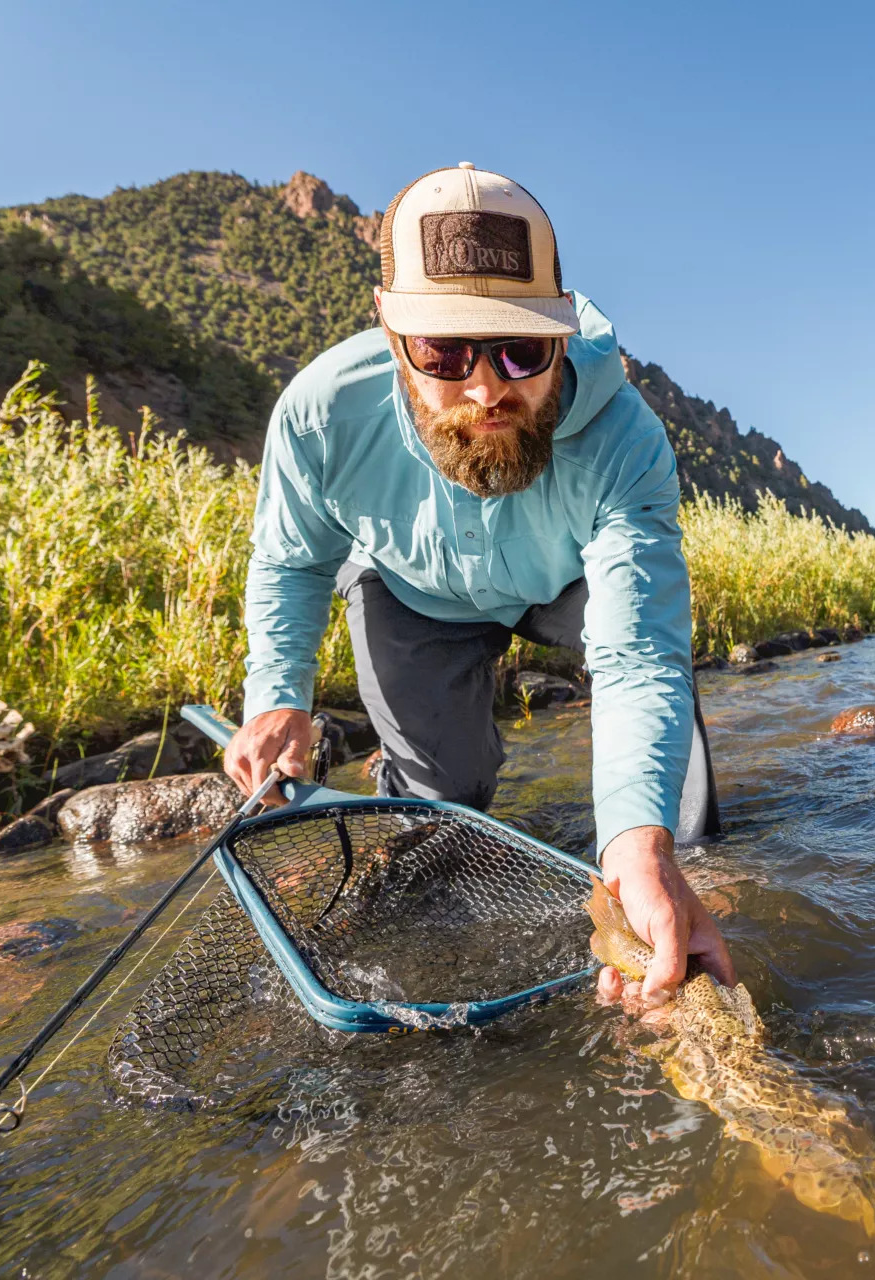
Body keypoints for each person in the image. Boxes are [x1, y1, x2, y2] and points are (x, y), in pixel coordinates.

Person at [224, 163, 735, 1006]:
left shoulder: (627, 440)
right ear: (392, 336)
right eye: (444, 352)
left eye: (520, 348)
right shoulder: (319, 415)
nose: (487, 385)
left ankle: (680, 876)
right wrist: (277, 696)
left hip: (561, 587)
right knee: (439, 819)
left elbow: (637, 651)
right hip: (413, 594)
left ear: (562, 335)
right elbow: (292, 561)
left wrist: (639, 850)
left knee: (671, 812)